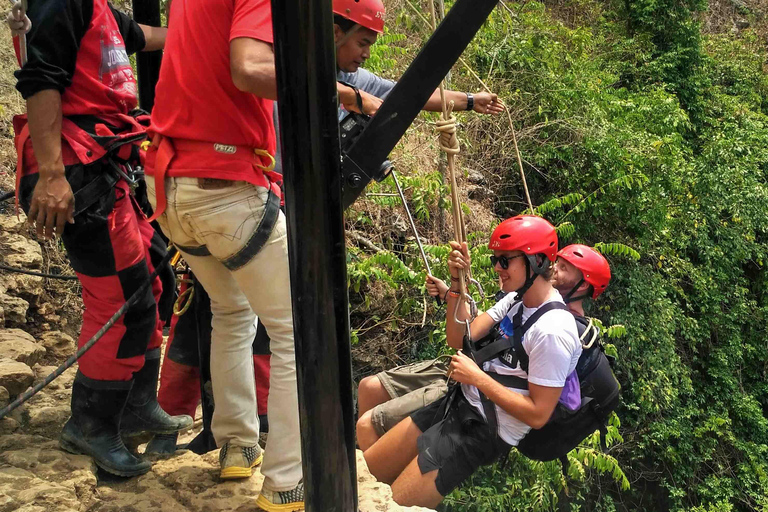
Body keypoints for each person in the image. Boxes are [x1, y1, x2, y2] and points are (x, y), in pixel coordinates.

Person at [8, 0, 191, 478]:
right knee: (119, 300)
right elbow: (40, 78)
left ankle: (135, 406)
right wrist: (51, 174)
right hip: (75, 168)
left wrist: (201, 32)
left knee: (150, 282)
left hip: (106, 164)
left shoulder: (96, 7)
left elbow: (141, 35)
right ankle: (91, 423)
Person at [142, 0, 302, 508]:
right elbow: (251, 68)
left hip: (168, 184)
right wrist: (322, 82)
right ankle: (287, 482)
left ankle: (237, 443)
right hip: (224, 184)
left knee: (232, 310)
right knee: (297, 330)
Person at [363, 215, 581, 508]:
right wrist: (456, 282)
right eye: (495, 259)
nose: (496, 268)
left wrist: (477, 378)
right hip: (458, 402)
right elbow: (459, 338)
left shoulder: (553, 332)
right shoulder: (515, 300)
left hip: (480, 430)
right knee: (364, 474)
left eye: (505, 261)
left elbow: (538, 414)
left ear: (537, 261)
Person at [356, 243, 612, 449]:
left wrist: (476, 378)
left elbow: (535, 403)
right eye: (558, 263)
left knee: (371, 426)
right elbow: (476, 330)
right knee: (369, 387)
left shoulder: (565, 329)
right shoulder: (521, 299)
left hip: (479, 391)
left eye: (565, 268)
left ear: (584, 285)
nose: (555, 269)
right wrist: (452, 292)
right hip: (465, 367)